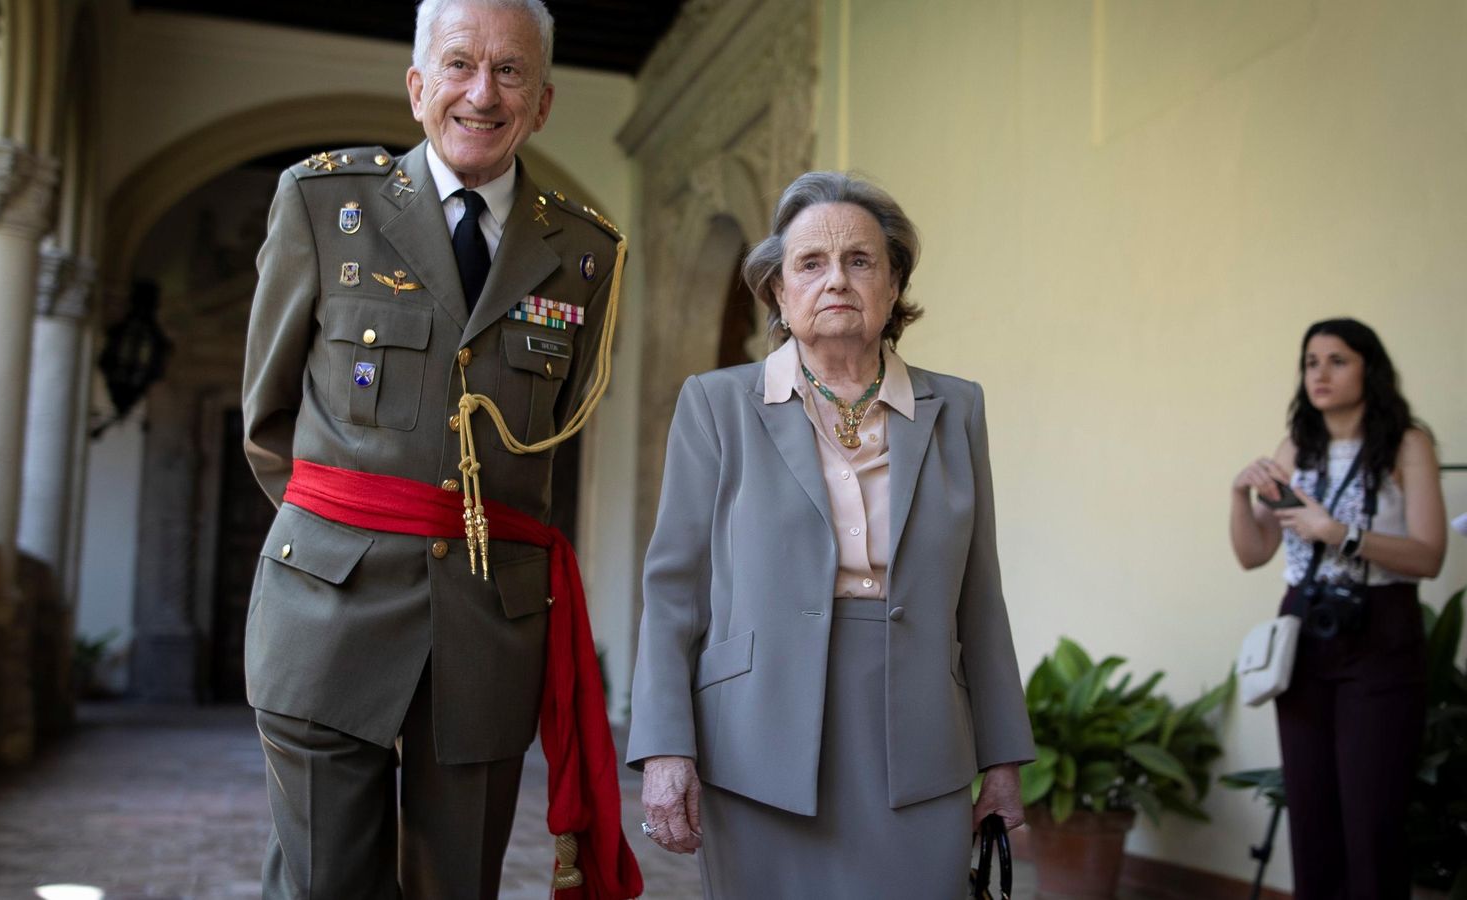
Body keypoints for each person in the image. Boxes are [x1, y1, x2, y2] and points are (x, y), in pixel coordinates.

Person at [240, 1, 640, 897]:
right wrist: (349, 536)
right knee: (321, 884)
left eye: (511, 72)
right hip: (326, 609)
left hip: (486, 626)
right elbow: (267, 423)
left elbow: (552, 442)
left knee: (456, 885)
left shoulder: (584, 253)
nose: (482, 93)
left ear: (541, 103)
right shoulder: (323, 205)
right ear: (418, 86)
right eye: (460, 65)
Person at [626, 171, 1035, 897]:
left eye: (860, 261)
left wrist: (1002, 760)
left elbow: (981, 597)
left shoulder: (956, 409)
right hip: (756, 743)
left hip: (919, 745)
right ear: (780, 293)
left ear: (894, 284)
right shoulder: (716, 405)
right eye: (810, 263)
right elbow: (674, 594)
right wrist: (665, 749)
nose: (836, 280)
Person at [1229, 318, 1446, 900]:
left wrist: (1339, 533)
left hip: (1381, 630)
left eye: (1337, 360)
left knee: (1373, 820)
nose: (1320, 373)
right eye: (1310, 362)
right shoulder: (1296, 447)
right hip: (1305, 625)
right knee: (1311, 814)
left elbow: (1429, 555)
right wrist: (1237, 494)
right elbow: (1254, 554)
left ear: (1368, 369)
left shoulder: (1407, 442)